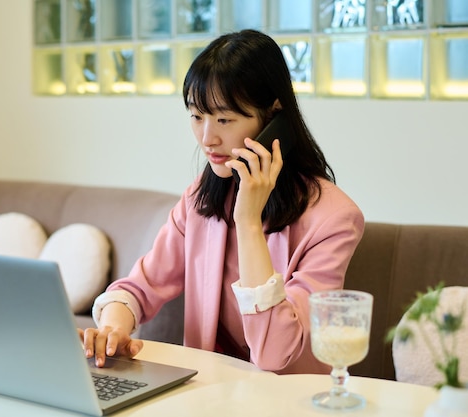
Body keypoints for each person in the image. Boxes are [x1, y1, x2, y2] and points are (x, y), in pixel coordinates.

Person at [80, 29, 365, 374]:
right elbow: (140, 287)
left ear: (274, 117)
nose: (207, 138)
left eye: (225, 120)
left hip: (285, 401)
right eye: (197, 117)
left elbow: (276, 353)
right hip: (208, 393)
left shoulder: (334, 219)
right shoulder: (202, 197)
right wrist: (112, 328)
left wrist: (248, 222)